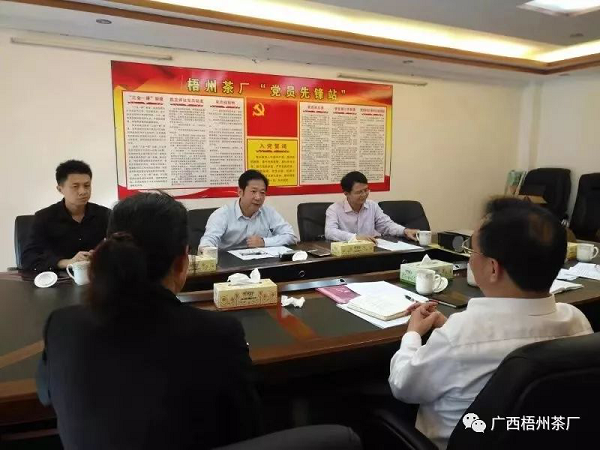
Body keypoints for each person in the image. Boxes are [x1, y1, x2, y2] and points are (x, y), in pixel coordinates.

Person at [36, 193, 262, 450]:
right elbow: (248, 426)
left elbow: (46, 394)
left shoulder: (62, 326)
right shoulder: (218, 334)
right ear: (182, 262)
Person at [388, 198, 592, 449]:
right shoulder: (576, 321)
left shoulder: (461, 335)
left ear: (493, 268)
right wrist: (449, 326)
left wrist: (412, 334)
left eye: (472, 251)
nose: (470, 259)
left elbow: (403, 385)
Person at [21, 160, 110, 271]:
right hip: (59, 278)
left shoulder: (106, 215)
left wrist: (100, 255)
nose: (83, 191)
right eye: (75, 186)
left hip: (97, 276)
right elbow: (28, 258)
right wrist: (66, 262)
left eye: (87, 185)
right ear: (60, 189)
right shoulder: (44, 218)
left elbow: (120, 249)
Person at [200, 169, 297, 250]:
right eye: (253, 191)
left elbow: (291, 236)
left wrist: (264, 242)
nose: (258, 197)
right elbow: (207, 242)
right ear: (240, 192)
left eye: (262, 192)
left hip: (261, 262)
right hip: (229, 264)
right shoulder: (222, 214)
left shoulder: (268, 212)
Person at [325, 171, 419, 242]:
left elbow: (386, 225)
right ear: (346, 193)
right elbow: (330, 232)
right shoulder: (334, 209)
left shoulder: (372, 206)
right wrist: (355, 238)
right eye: (359, 192)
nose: (364, 194)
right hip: (346, 254)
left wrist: (404, 231)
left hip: (370, 251)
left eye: (366, 190)